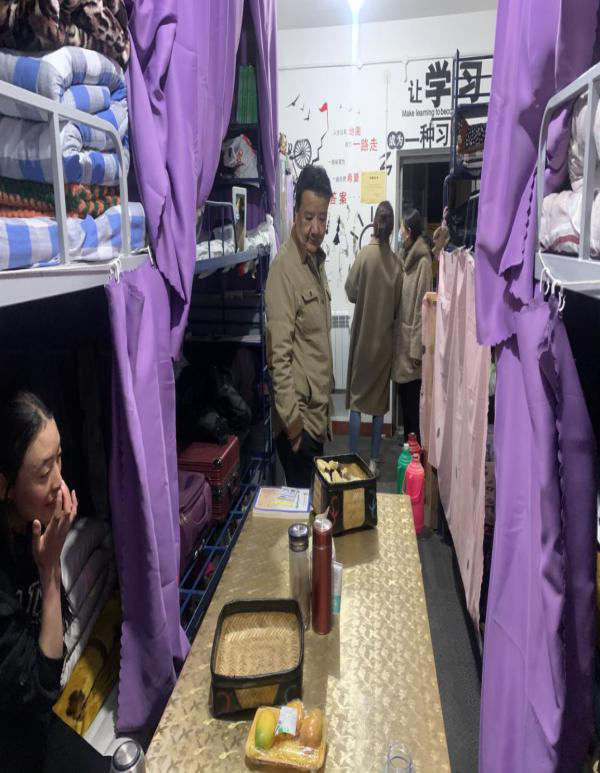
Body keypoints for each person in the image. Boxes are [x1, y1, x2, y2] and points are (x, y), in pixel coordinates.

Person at [0, 391, 109, 773]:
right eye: (43, 473)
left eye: (59, 459)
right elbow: (39, 687)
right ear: (4, 486)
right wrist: (48, 572)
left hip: (31, 720)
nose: (60, 484)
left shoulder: (29, 528)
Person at [265, 164, 334, 488]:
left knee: (315, 506)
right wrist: (294, 428)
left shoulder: (315, 264)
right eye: (308, 218)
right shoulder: (284, 269)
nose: (315, 228)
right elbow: (278, 357)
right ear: (295, 215)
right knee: (306, 508)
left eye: (322, 218)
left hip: (316, 419)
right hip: (299, 424)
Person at [344, 201, 401, 476]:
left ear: (375, 224)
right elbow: (397, 308)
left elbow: (350, 291)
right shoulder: (397, 264)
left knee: (357, 402)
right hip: (384, 344)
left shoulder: (365, 255)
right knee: (378, 405)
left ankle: (352, 459)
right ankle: (374, 460)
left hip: (363, 342)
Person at [392, 209, 433, 444]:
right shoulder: (407, 259)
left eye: (401, 229)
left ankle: (415, 455)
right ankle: (409, 452)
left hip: (412, 351)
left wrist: (417, 351)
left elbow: (422, 310)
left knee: (412, 410)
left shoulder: (424, 263)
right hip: (402, 346)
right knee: (405, 405)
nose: (399, 233)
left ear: (409, 232)